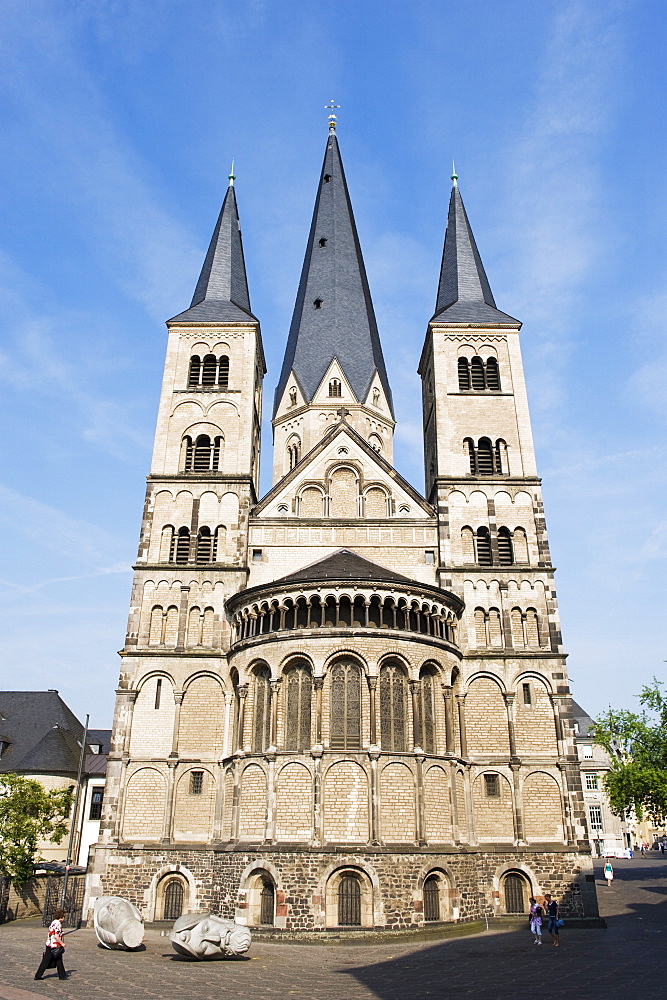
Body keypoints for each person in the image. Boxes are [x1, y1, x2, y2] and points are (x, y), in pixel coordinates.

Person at [34, 908, 68, 980]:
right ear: (61, 917)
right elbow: (56, 936)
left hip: (49, 943)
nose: (64, 918)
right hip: (55, 945)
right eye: (63, 917)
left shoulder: (53, 922)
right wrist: (62, 943)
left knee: (51, 960)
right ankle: (62, 975)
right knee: (57, 959)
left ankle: (38, 975)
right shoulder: (58, 924)